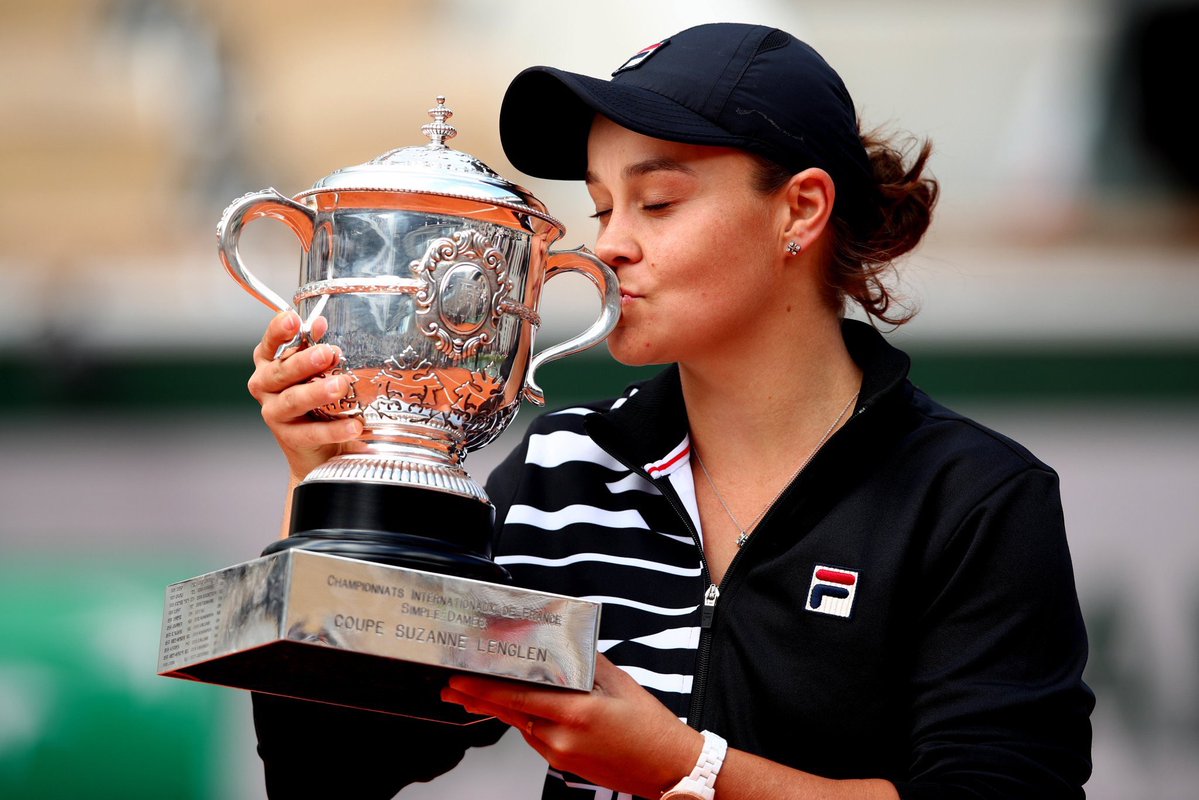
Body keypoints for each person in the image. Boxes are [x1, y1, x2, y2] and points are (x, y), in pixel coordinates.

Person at [247, 22, 1094, 800]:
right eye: (601, 207)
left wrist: (686, 769)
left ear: (800, 209)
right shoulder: (564, 471)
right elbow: (330, 772)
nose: (610, 244)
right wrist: (331, 491)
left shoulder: (970, 497)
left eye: (656, 202)